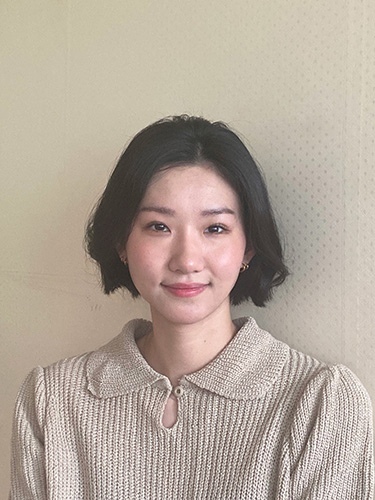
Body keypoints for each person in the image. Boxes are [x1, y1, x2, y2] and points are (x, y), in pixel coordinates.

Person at [10, 115, 374, 499]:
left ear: (247, 246)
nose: (187, 260)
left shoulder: (320, 404)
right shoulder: (51, 401)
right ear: (121, 242)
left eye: (214, 228)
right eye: (158, 227)